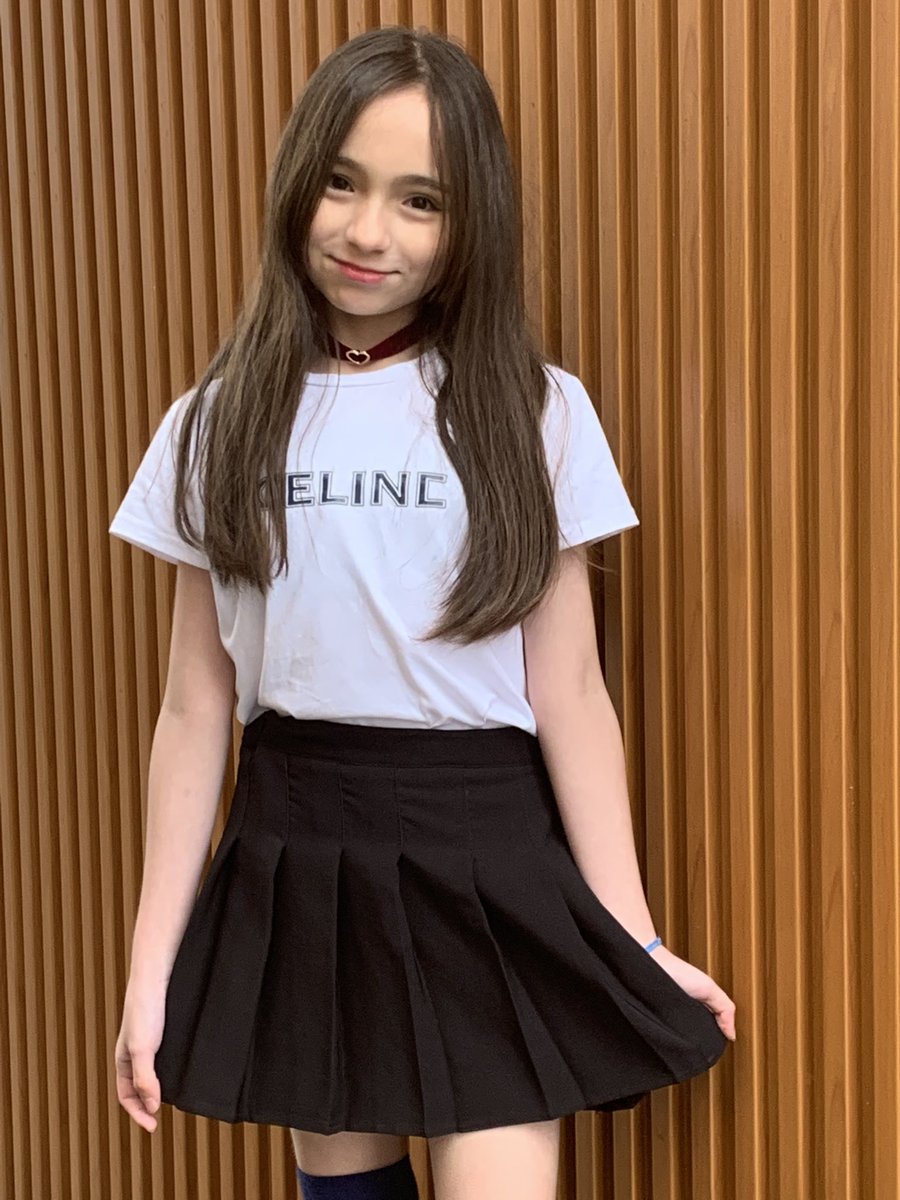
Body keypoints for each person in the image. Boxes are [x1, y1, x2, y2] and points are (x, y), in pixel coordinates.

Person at [109, 25, 736, 1200]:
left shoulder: (533, 411)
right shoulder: (215, 420)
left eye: (420, 201)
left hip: (486, 850)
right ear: (298, 181)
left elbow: (572, 694)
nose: (367, 232)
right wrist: (151, 975)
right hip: (300, 845)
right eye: (342, 182)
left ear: (468, 222)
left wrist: (636, 936)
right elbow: (194, 710)